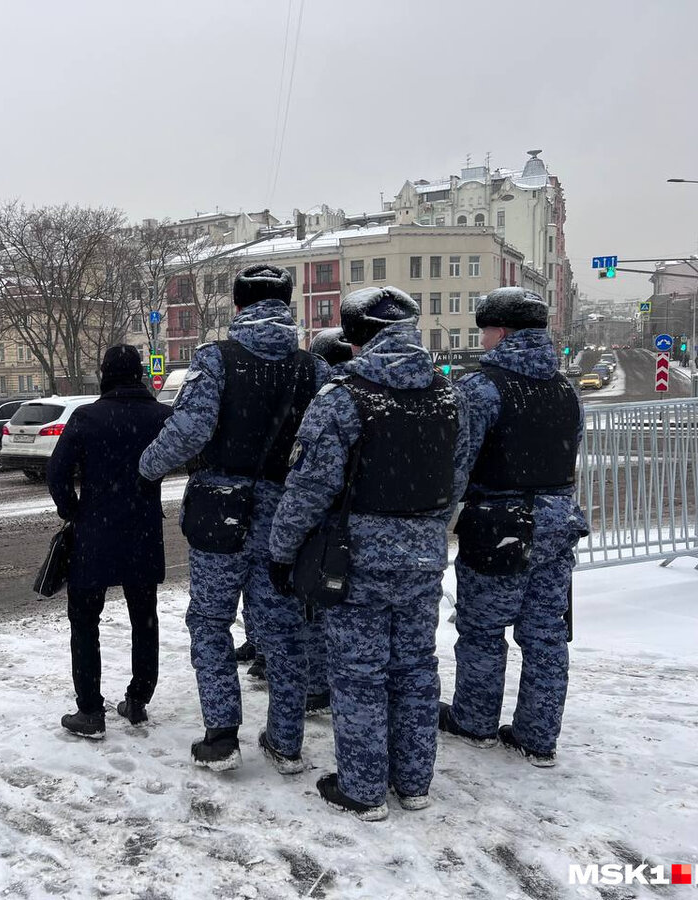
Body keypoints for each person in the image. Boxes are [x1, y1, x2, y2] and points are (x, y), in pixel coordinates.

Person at [269, 286, 469, 820]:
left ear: (355, 339)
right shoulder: (450, 397)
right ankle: (414, 782)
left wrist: (282, 549)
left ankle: (361, 787)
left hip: (356, 561)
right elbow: (456, 478)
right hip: (424, 557)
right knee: (415, 668)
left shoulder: (342, 399)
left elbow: (310, 488)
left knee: (358, 674)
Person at [139, 264, 328, 773]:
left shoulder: (217, 360)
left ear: (239, 307)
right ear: (287, 305)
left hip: (220, 513)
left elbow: (189, 431)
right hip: (284, 518)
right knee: (283, 630)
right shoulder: (313, 370)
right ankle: (286, 742)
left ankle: (222, 735)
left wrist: (147, 467)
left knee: (211, 622)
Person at [438, 287, 588, 768]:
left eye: (485, 331)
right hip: (557, 522)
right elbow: (571, 451)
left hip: (499, 525)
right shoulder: (567, 390)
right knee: (546, 636)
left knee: (482, 630)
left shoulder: (480, 388)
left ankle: (476, 722)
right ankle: (537, 736)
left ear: (500, 333)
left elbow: (457, 465)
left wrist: (445, 515)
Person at [47, 345, 172, 739]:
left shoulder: (87, 417)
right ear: (138, 374)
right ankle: (137, 700)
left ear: (104, 373)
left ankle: (90, 712)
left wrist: (72, 511)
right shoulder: (162, 417)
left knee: (84, 620)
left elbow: (57, 473)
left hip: (94, 532)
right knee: (145, 617)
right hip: (144, 530)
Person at [299, 327, 354, 715]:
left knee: (317, 611)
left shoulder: (329, 401)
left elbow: (311, 481)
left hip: (328, 529)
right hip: (376, 526)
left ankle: (320, 684)